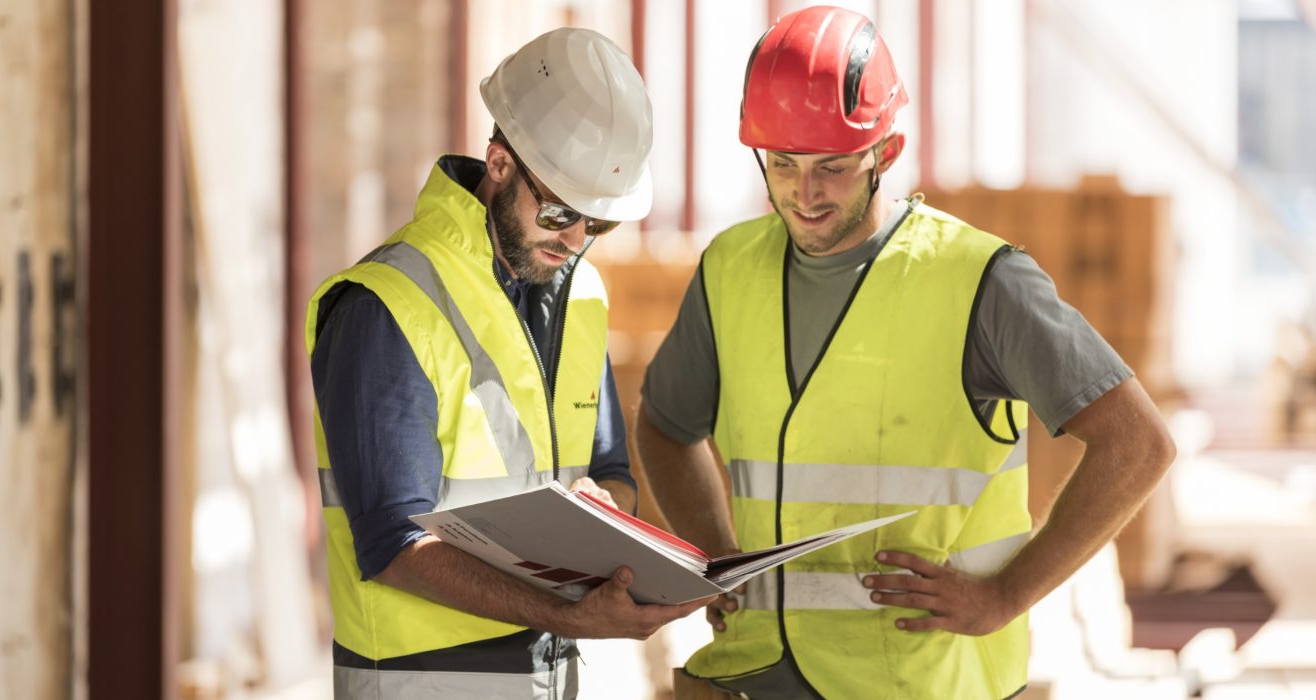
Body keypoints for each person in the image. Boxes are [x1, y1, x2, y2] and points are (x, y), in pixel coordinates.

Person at [636, 6, 1176, 699]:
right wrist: (717, 557)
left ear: (885, 153)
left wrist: (1007, 595)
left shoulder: (981, 281)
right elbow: (665, 424)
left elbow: (1138, 445)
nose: (805, 194)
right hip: (757, 675)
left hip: (920, 680)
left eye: (832, 166)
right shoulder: (728, 269)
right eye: (783, 164)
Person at [306, 27, 708, 699]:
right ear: (498, 164)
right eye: (558, 210)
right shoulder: (388, 306)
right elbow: (392, 547)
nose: (575, 239)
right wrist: (571, 613)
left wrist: (607, 519)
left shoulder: (580, 293)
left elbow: (607, 471)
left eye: (596, 224)